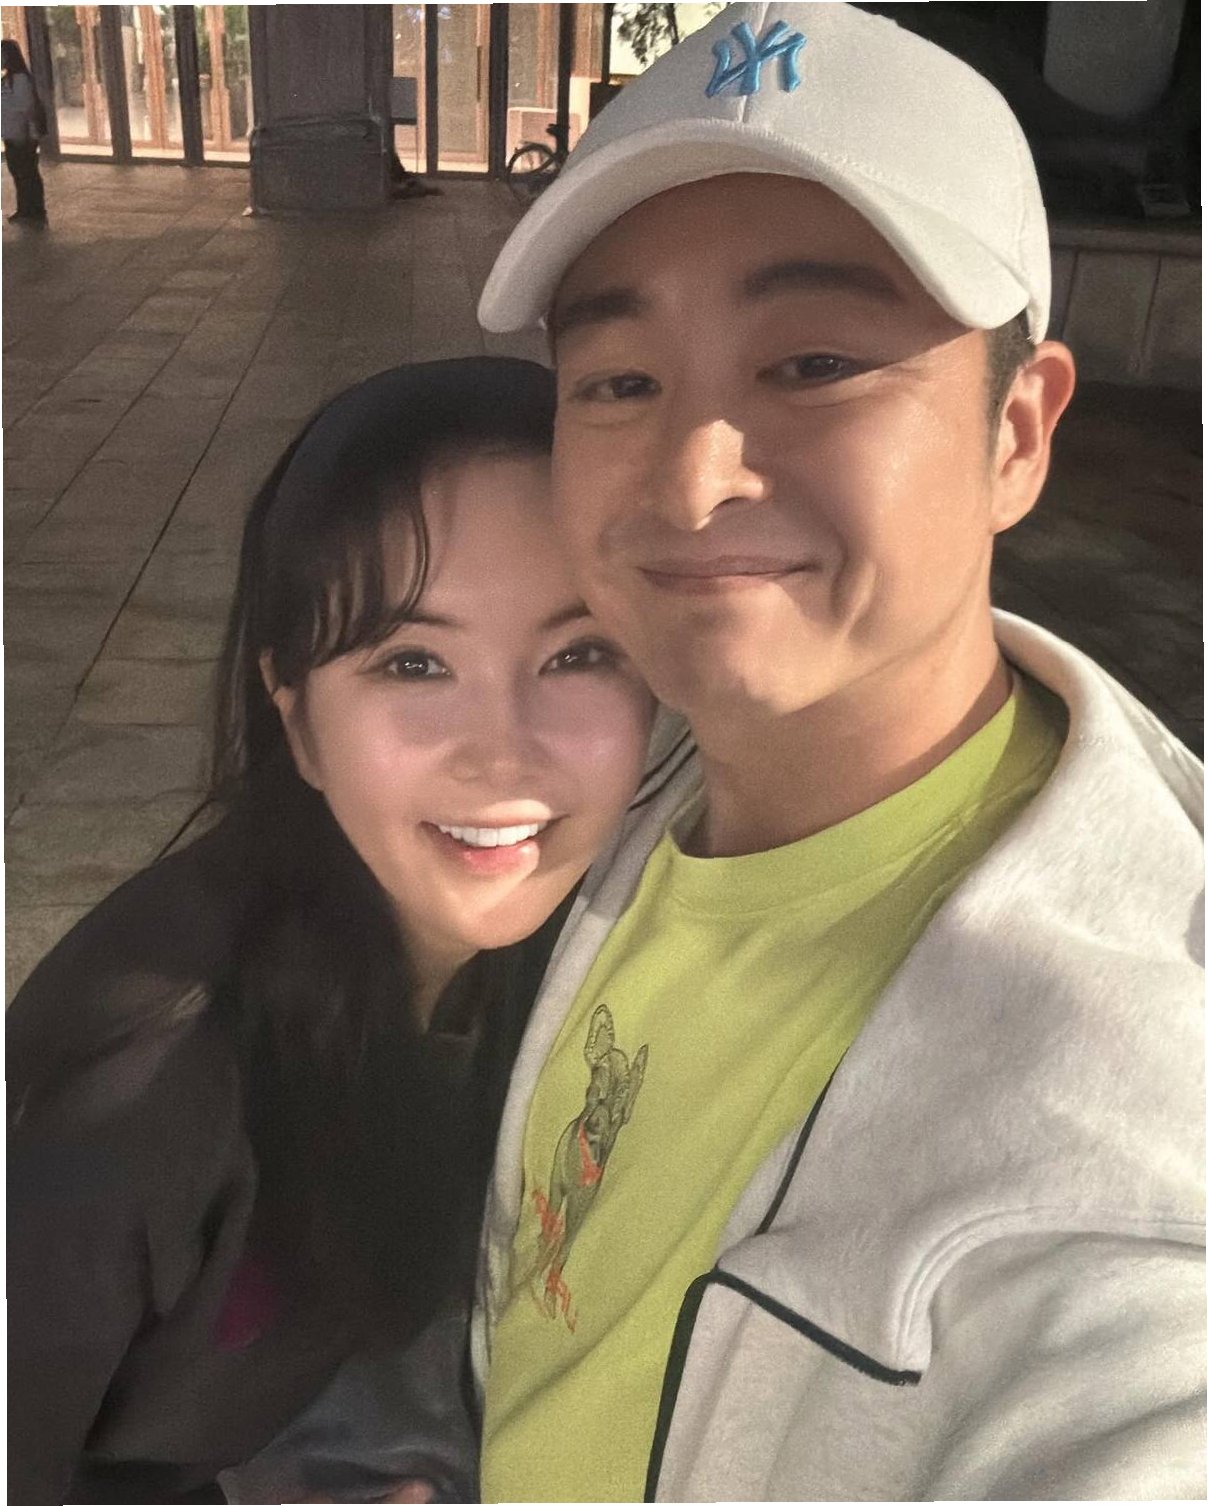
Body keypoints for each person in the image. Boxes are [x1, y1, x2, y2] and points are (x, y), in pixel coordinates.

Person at [469, 5, 1206, 1501]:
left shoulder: (1117, 1163)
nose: (692, 479)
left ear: (1016, 433)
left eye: (812, 362)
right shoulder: (624, 783)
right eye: (618, 381)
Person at [7, 357, 656, 1505]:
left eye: (578, 652)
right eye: (414, 662)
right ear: (296, 717)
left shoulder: (584, 950)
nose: (502, 752)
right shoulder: (143, 1086)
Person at [2, 37, 48, 225]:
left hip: (21, 134)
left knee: (26, 172)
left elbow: (27, 108)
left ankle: (34, 209)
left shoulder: (20, 80)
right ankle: (25, 208)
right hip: (11, 133)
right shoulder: (7, 80)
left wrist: (28, 132)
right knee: (19, 173)